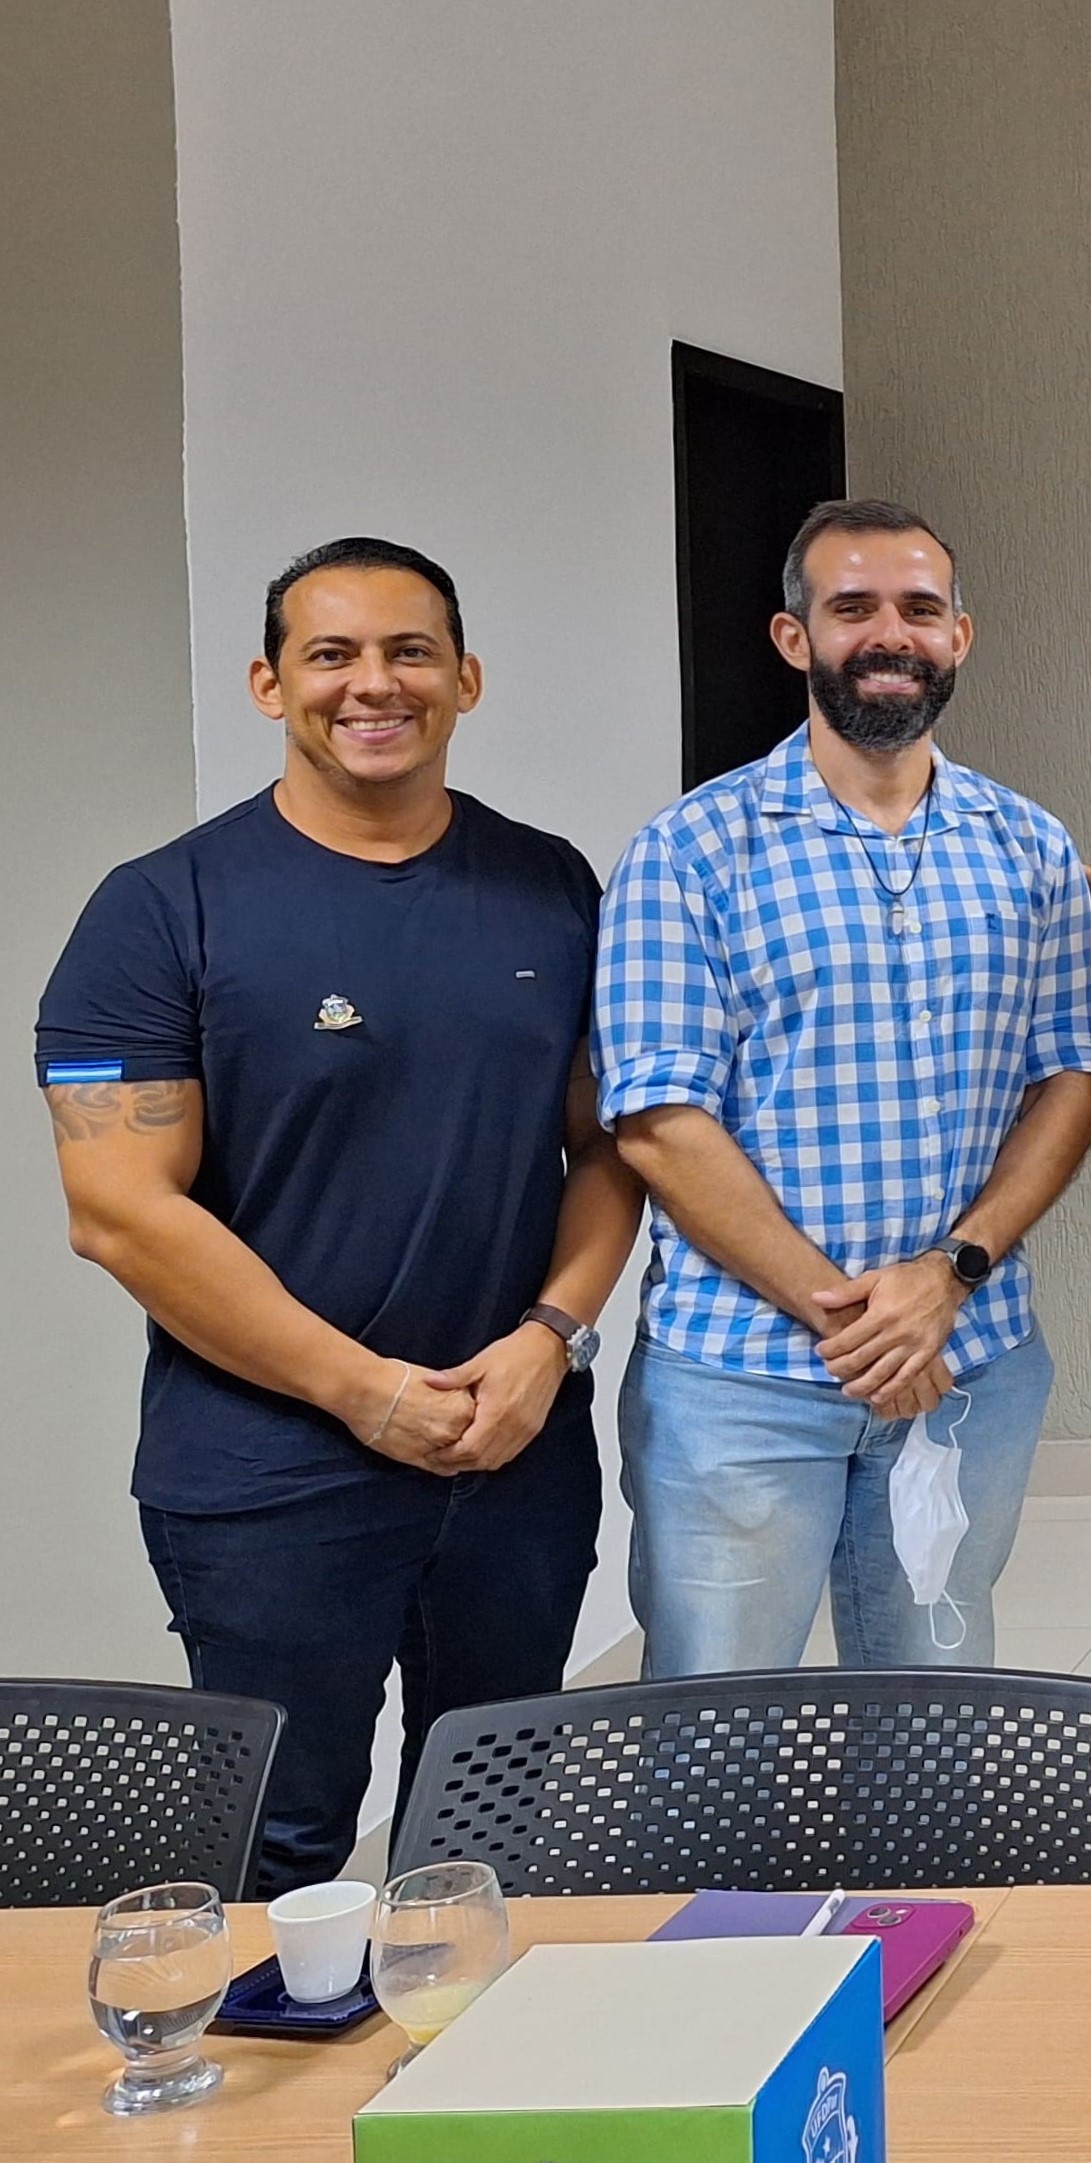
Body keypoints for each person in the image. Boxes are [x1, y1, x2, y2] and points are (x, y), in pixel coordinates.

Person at [39, 538, 639, 1895]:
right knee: (278, 1850)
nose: (374, 684)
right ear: (270, 684)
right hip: (271, 1471)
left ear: (466, 678)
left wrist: (550, 1338)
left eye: (409, 651)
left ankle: (461, 2046)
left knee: (489, 1840)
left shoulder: (549, 885)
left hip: (512, 1448)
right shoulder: (162, 908)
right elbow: (119, 1211)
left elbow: (610, 1145)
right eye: (332, 654)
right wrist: (363, 1390)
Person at [596, 498, 1091, 1677]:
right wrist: (860, 1323)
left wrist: (948, 1276)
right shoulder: (689, 850)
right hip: (743, 1378)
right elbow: (661, 1124)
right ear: (796, 638)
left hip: (971, 1360)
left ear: (958, 636)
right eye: (853, 608)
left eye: (919, 609)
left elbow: (1069, 1083)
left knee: (933, 1710)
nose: (890, 635)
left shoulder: (1028, 847)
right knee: (717, 1726)